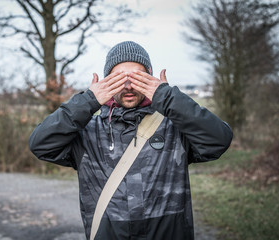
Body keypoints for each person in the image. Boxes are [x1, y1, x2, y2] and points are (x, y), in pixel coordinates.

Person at [29, 41, 233, 240]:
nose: (128, 86)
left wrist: (168, 98)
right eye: (118, 78)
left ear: (150, 78)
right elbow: (41, 144)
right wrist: (88, 100)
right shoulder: (87, 132)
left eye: (137, 77)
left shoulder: (173, 127)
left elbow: (218, 140)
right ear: (106, 81)